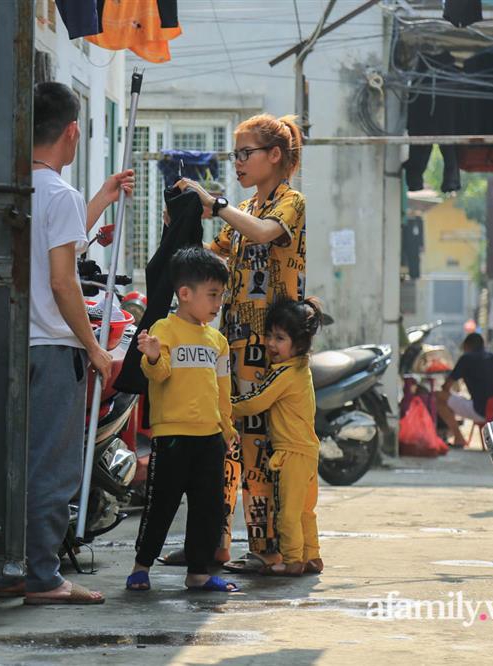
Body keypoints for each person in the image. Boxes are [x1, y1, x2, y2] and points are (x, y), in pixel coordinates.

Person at [0, 81, 133, 605]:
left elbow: (61, 248)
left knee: (9, 461)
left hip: (6, 344)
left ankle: (11, 564)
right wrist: (95, 348)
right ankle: (43, 577)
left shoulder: (11, 188)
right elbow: (62, 278)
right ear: (72, 132)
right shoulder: (59, 194)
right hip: (52, 348)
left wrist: (100, 198)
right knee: (52, 465)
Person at [172, 114, 307, 573]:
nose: (237, 163)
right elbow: (216, 256)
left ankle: (268, 549)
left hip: (272, 348)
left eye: (244, 154)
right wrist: (185, 219)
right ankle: (214, 543)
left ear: (275, 156)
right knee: (227, 443)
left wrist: (218, 204)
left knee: (262, 451)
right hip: (232, 343)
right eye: (235, 155)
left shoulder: (290, 203)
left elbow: (267, 235)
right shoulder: (245, 210)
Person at [125, 247, 241, 593]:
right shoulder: (164, 329)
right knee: (161, 503)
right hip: (172, 435)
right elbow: (158, 376)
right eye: (212, 295)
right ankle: (140, 566)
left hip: (209, 438)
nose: (218, 302)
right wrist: (153, 356)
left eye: (221, 295)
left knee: (208, 507)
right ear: (185, 294)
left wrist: (227, 427)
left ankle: (199, 572)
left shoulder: (217, 341)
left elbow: (222, 390)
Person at [230, 298, 324, 576]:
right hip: (308, 452)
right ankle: (313, 556)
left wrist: (225, 404)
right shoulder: (302, 370)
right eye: (269, 335)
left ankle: (293, 561)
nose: (271, 343)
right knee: (306, 511)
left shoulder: (283, 373)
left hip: (291, 454)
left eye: (280, 338)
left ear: (300, 344)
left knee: (287, 514)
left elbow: (255, 402)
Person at [436, 332, 493, 448]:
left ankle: (458, 438)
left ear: (467, 346)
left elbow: (446, 387)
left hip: (483, 411)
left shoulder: (466, 358)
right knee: (455, 399)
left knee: (438, 397)